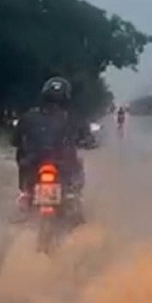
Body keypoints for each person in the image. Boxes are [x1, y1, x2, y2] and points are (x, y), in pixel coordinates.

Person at [11, 76, 90, 211]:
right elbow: (86, 138)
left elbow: (16, 140)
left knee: (22, 159)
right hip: (61, 163)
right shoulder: (73, 117)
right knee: (77, 168)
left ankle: (26, 192)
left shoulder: (29, 116)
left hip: (34, 162)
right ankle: (71, 195)